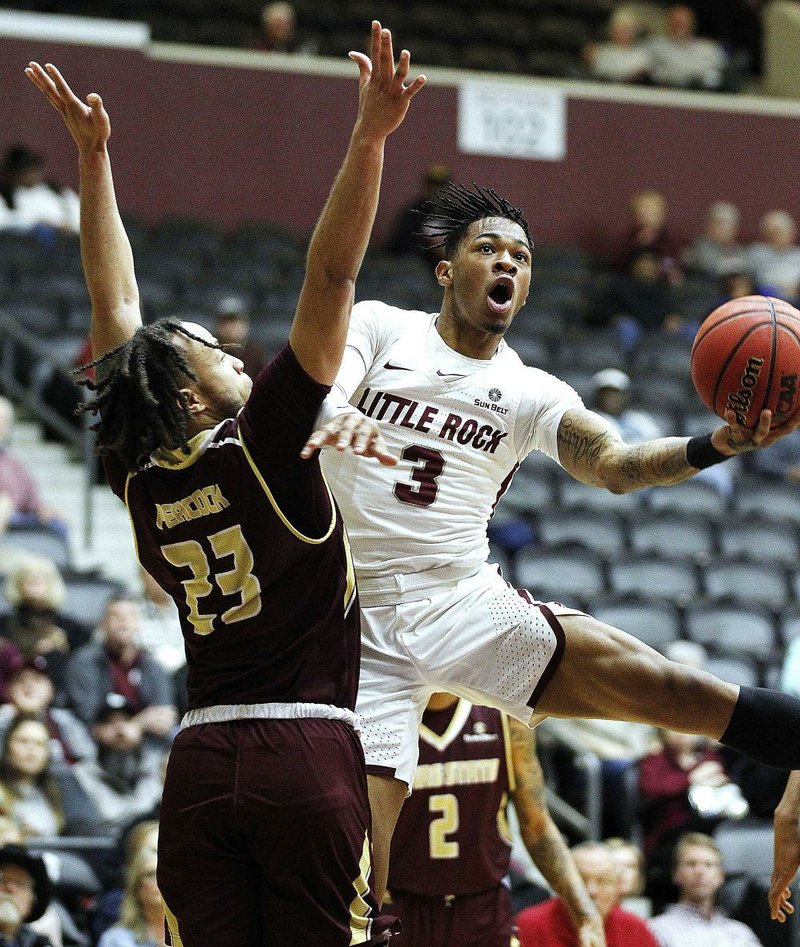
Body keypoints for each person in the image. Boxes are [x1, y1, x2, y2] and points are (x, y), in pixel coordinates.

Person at [25, 22, 424, 944]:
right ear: (185, 388)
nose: (235, 354)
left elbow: (114, 310)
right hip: (307, 754)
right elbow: (333, 273)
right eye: (212, 347)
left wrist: (95, 162)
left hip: (199, 759)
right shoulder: (267, 440)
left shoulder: (135, 471)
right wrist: (369, 138)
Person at [304, 180, 800, 905]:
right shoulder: (383, 327)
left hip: (458, 601)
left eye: (522, 256)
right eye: (488, 249)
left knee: (679, 690)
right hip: (352, 618)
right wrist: (330, 411)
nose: (508, 263)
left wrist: (713, 443)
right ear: (446, 268)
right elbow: (328, 380)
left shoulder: (532, 390)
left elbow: (616, 465)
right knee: (357, 891)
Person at [385, 693, 603, 947]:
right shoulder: (385, 717)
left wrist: (586, 913)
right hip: (400, 905)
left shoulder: (505, 715)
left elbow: (537, 827)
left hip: (482, 908)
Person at [63, 597, 177, 749]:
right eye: (115, 616)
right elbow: (86, 713)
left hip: (146, 741)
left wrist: (137, 726)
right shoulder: (83, 661)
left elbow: (164, 712)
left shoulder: (152, 664)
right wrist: (131, 726)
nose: (123, 621)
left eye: (130, 615)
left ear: (138, 623)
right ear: (103, 624)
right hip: (96, 739)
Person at [515, 842, 659, 946]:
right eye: (581, 880)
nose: (591, 891)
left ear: (616, 886)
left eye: (603, 881)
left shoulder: (636, 930)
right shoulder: (530, 924)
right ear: (563, 884)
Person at [68, 695, 165, 840]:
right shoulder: (79, 775)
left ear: (139, 728)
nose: (120, 730)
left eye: (127, 720)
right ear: (94, 731)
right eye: (108, 723)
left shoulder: (158, 769)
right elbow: (84, 829)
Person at [649, 832, 763, 946]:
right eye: (691, 864)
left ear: (720, 876)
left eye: (708, 865)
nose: (700, 871)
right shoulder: (656, 930)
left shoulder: (741, 933)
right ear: (676, 874)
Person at [0, 658, 96, 767]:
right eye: (20, 680)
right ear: (8, 690)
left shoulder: (63, 719)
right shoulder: (3, 720)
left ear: (51, 689)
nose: (29, 686)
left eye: (37, 680)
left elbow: (88, 757)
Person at [0, 399, 69, 544]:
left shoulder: (14, 464)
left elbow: (31, 499)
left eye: (5, 420)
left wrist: (43, 509)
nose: (2, 425)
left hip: (16, 526)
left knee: (58, 522)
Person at [0, 144, 79, 235]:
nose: (30, 175)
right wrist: (37, 221)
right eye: (24, 171)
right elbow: (3, 220)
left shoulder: (57, 191)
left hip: (64, 243)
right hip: (23, 245)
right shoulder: (6, 195)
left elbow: (80, 217)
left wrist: (63, 225)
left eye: (33, 170)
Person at [644, 4, 727, 91]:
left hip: (703, 95)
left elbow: (718, 76)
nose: (679, 27)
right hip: (665, 94)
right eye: (676, 22)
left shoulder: (709, 49)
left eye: (683, 23)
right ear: (668, 23)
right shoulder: (655, 45)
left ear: (692, 24)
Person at [96, 847, 162, 947]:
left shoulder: (191, 931)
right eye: (150, 874)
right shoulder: (116, 940)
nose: (160, 880)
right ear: (136, 886)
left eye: (163, 874)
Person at [0, 843, 54, 947]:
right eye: (2, 880)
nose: (10, 888)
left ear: (32, 902)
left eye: (20, 883)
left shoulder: (39, 943)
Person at [681, 202, 748, 280]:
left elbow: (747, 269)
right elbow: (713, 267)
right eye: (721, 223)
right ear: (709, 225)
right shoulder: (698, 247)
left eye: (730, 225)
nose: (725, 229)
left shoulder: (737, 248)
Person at [583, 9, 650, 85]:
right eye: (620, 29)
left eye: (627, 30)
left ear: (635, 32)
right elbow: (599, 72)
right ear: (612, 30)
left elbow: (640, 75)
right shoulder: (600, 51)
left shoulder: (642, 54)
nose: (623, 33)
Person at [746, 210, 800, 301]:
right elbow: (750, 281)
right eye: (773, 232)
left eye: (781, 231)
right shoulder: (756, 253)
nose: (777, 236)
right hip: (765, 299)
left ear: (792, 232)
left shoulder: (797, 254)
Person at [212, 295, 268, 380]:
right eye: (226, 322)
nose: (231, 327)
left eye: (235, 322)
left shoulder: (254, 354)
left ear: (245, 325)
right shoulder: (211, 352)